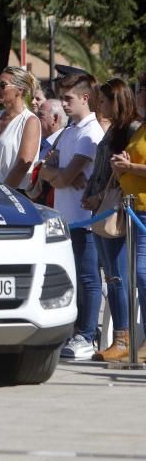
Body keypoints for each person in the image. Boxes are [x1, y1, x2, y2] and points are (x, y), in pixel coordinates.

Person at [39, 73, 104, 360]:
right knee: (73, 276)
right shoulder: (69, 131)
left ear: (85, 98)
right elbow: (48, 169)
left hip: (85, 219)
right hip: (66, 216)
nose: (63, 104)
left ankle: (87, 334)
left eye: (69, 98)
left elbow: (63, 174)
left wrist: (60, 175)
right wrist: (58, 175)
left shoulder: (90, 133)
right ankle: (76, 329)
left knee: (88, 278)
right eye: (62, 98)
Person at [81, 79, 140, 361]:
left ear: (117, 101)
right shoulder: (114, 129)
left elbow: (120, 171)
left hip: (119, 206)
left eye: (103, 101)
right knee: (112, 275)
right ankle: (120, 336)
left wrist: (102, 194)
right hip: (101, 206)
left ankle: (124, 336)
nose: (99, 105)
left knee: (119, 275)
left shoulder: (130, 129)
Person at [111, 71, 146, 357]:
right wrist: (120, 164)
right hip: (136, 209)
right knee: (139, 275)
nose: (139, 95)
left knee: (142, 274)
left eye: (142, 89)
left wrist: (130, 168)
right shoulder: (142, 129)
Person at [0, 66, 41, 189]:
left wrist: (4, 193)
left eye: (2, 85)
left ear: (19, 90)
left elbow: (23, 165)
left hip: (15, 192)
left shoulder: (30, 121)